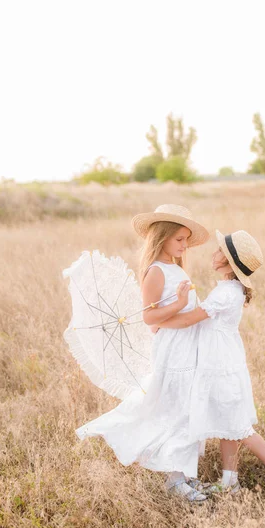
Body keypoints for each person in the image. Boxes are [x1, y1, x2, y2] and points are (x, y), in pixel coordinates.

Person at [76, 204, 210, 502]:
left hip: (189, 347)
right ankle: (176, 481)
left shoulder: (176, 268)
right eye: (179, 239)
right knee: (177, 408)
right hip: (173, 350)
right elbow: (149, 319)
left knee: (190, 408)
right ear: (162, 237)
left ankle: (186, 474)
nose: (184, 245)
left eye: (186, 239)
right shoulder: (156, 272)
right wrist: (179, 303)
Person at [154, 229, 265, 506]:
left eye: (220, 251)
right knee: (226, 423)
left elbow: (189, 320)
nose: (214, 253)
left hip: (221, 365)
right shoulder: (226, 289)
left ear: (229, 263)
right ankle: (229, 481)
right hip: (219, 361)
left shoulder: (227, 293)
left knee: (239, 427)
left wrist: (157, 322)